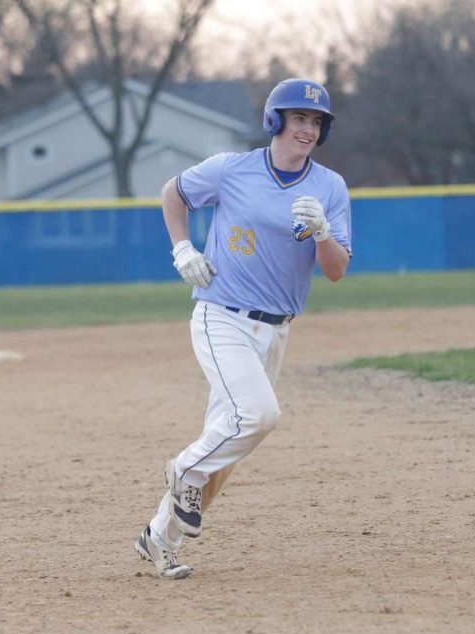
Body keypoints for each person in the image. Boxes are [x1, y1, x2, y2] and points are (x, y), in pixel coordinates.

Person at [134, 78, 353, 579]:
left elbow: (337, 270)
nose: (308, 129)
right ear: (275, 120)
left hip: (276, 331)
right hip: (222, 315)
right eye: (299, 118)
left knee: (223, 451)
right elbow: (174, 193)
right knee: (257, 415)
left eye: (316, 122)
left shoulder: (330, 188)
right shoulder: (233, 170)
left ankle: (158, 539)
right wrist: (183, 249)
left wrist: (322, 231)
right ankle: (182, 470)